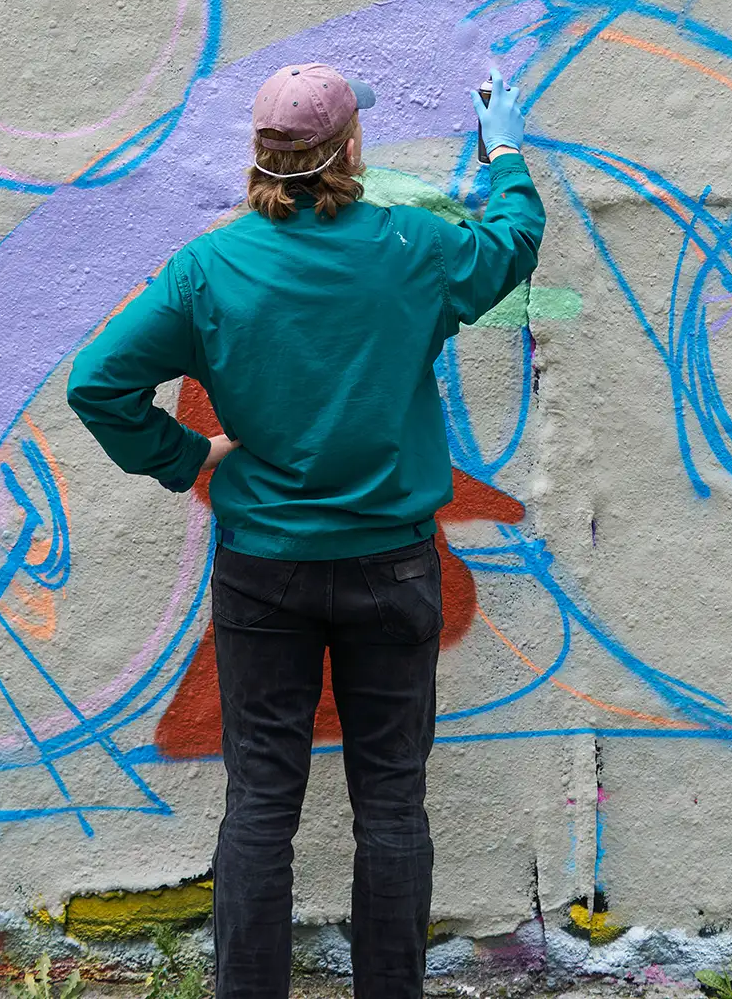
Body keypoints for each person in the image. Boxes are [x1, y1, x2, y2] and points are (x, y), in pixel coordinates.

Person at [66, 61, 546, 999]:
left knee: (259, 805)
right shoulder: (413, 247)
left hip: (263, 573)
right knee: (393, 807)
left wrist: (185, 455)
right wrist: (508, 153)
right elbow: (512, 243)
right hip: (392, 569)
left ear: (260, 157)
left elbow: (97, 384)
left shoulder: (209, 268)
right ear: (352, 147)